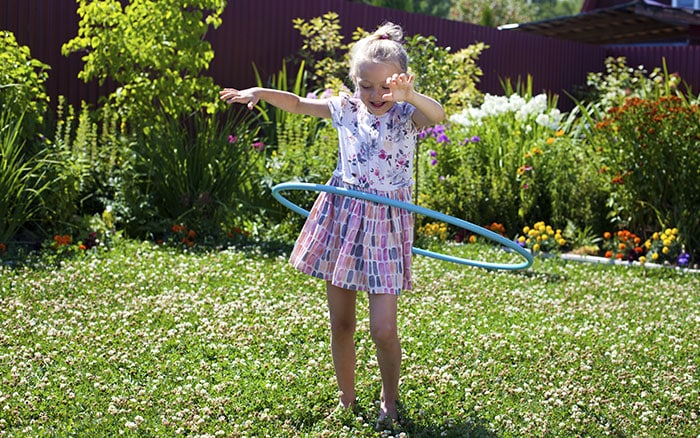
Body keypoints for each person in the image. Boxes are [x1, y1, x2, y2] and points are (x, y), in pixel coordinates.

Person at [220, 22, 445, 426]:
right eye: (366, 86)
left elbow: (439, 115)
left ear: (400, 84)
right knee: (341, 322)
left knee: (383, 328)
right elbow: (297, 103)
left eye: (385, 88)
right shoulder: (345, 108)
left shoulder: (408, 114)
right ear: (354, 82)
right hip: (343, 216)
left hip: (386, 223)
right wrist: (258, 93)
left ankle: (388, 401)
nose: (375, 96)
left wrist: (411, 96)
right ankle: (346, 398)